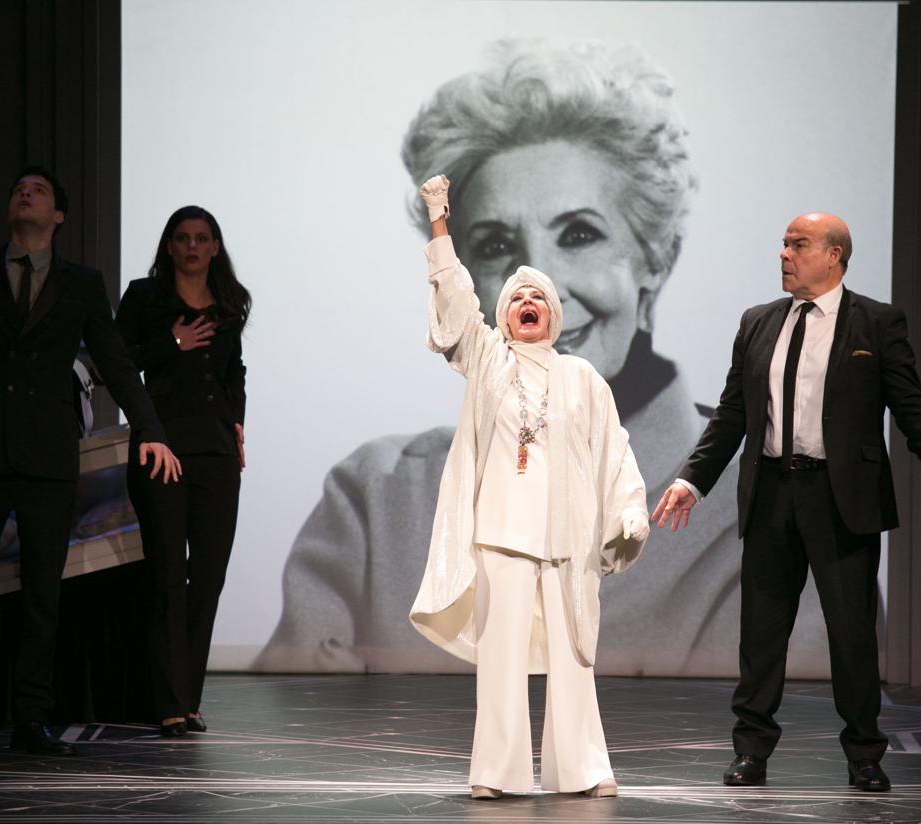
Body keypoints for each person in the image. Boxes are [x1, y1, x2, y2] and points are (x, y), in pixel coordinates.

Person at [259, 39, 831, 679]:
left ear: (653, 259)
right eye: (497, 243)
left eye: (580, 234)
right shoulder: (377, 497)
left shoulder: (754, 493)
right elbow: (312, 716)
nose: (541, 278)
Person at [652, 213, 921, 792]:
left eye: (799, 245)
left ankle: (864, 754)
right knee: (761, 633)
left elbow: (909, 406)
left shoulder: (876, 324)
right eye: (783, 243)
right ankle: (751, 752)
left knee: (851, 632)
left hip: (841, 497)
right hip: (772, 492)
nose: (785, 253)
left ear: (834, 256)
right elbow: (733, 415)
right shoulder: (758, 323)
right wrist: (692, 479)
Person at [0, 165, 180, 760]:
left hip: (48, 461)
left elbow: (112, 359)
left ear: (57, 216)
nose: (24, 193)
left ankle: (31, 718)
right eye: (17, 189)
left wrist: (149, 429)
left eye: (39, 190)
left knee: (41, 599)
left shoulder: (81, 283)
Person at [409, 174, 648, 799]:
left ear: (554, 313)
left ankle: (582, 769)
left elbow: (614, 449)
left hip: (567, 535)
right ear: (504, 315)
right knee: (502, 663)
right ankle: (497, 773)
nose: (527, 303)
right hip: (500, 533)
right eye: (516, 298)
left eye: (537, 296)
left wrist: (629, 509)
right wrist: (439, 219)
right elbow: (455, 299)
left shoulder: (583, 377)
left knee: (574, 659)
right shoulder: (488, 360)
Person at [115, 206, 249, 737]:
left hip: (217, 452)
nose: (192, 246)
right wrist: (170, 344)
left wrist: (238, 422)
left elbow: (234, 370)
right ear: (169, 246)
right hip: (162, 448)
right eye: (182, 237)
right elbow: (116, 364)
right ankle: (169, 702)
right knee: (169, 576)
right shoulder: (145, 298)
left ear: (215, 246)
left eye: (202, 238)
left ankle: (188, 700)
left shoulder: (230, 304)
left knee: (208, 579)